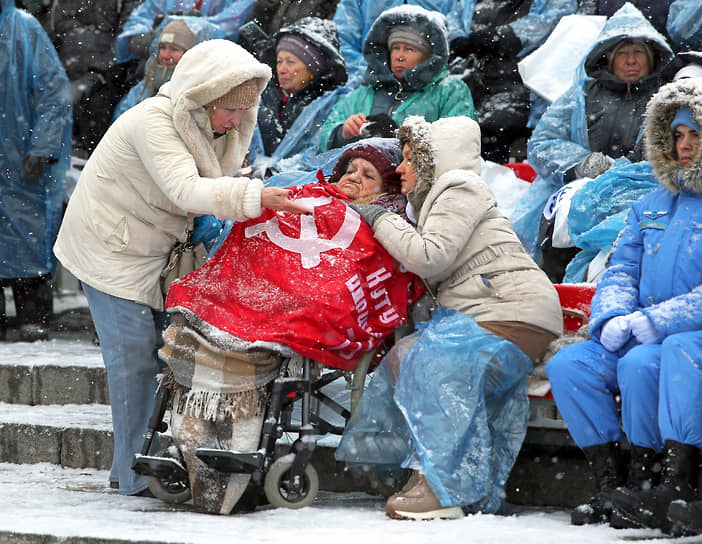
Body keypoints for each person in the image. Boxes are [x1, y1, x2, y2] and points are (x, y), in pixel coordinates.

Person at [53, 39, 309, 497]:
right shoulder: (154, 121)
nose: (237, 120)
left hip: (152, 248)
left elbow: (216, 184)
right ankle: (135, 475)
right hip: (109, 248)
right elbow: (186, 189)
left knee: (158, 354)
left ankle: (135, 463)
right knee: (132, 358)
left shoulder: (218, 126)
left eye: (243, 110)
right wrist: (252, 197)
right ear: (204, 97)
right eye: (230, 109)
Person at [157, 138, 414, 514]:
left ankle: (231, 461)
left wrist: (294, 288)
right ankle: (190, 448)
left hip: (303, 302)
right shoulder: (305, 195)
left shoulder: (384, 222)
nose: (352, 178)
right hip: (253, 289)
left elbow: (365, 276)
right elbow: (251, 238)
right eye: (349, 169)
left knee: (276, 328)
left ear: (387, 187)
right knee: (203, 307)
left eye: (368, 174)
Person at [336, 115, 563, 519]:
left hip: (510, 311)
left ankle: (444, 486)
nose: (400, 169)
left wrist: (379, 217)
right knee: (405, 354)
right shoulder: (430, 202)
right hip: (491, 311)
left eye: (409, 160)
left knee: (430, 362)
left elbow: (429, 254)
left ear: (432, 162)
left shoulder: (459, 187)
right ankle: (433, 472)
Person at [545, 77, 702, 529]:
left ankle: (663, 478)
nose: (684, 145)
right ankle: (610, 483)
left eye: (694, 134)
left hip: (680, 337)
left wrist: (656, 320)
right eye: (676, 135)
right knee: (570, 365)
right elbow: (619, 269)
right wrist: (612, 315)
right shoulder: (648, 205)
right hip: (639, 327)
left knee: (646, 363)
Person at [518, 2, 673, 280]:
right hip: (576, 192)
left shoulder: (665, 98)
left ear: (652, 57)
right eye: (623, 53)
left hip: (642, 195)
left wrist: (627, 176)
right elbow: (541, 142)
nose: (631, 60)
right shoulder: (581, 95)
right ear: (607, 57)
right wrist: (581, 164)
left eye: (639, 52)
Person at [0, 0, 72, 342]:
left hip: (21, 160)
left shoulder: (23, 28)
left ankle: (34, 316)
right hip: (13, 153)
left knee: (27, 235)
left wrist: (43, 146)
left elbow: (53, 92)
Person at [319, 5, 476, 152]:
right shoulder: (364, 92)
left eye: (409, 49)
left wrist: (398, 138)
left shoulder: (450, 90)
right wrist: (343, 133)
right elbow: (325, 135)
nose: (399, 56)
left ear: (429, 57)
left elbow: (459, 145)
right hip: (361, 177)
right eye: (395, 48)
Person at [448, 0, 577, 163]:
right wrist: (457, 38)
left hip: (522, 82)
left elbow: (555, 17)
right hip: (472, 77)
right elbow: (453, 18)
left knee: (493, 126)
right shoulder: (471, 3)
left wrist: (504, 35)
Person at [252, 16, 347, 161]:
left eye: (290, 62)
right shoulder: (263, 94)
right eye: (279, 61)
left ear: (313, 69)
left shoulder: (328, 105)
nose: (281, 69)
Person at [332, 0, 474, 86]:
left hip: (433, 82)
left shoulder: (448, 92)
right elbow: (342, 43)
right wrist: (377, 72)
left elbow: (457, 27)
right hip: (366, 83)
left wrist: (427, 70)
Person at [113, 16, 225, 119]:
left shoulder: (199, 92)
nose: (165, 55)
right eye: (162, 48)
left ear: (189, 54)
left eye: (174, 49)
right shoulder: (144, 87)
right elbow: (120, 124)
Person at [114, 0, 256, 64]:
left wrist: (169, 26)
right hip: (157, 68)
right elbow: (138, 25)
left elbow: (229, 26)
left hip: (212, 67)